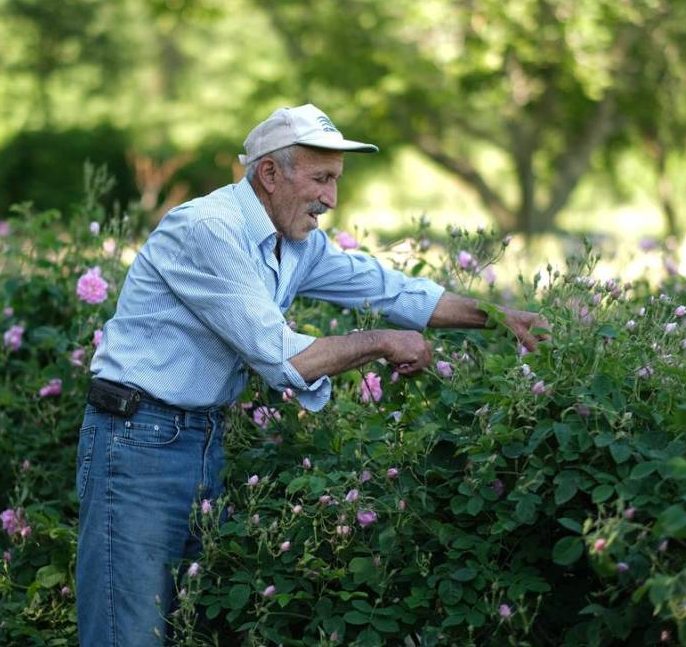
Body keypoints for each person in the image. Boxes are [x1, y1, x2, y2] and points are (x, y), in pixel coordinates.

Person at [75, 103, 548, 646]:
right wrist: (379, 342)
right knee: (126, 633)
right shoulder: (209, 229)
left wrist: (499, 319)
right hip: (137, 442)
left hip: (198, 439)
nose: (330, 199)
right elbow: (284, 358)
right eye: (321, 179)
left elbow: (389, 288)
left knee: (189, 630)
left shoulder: (292, 243)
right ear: (270, 174)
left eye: (336, 181)